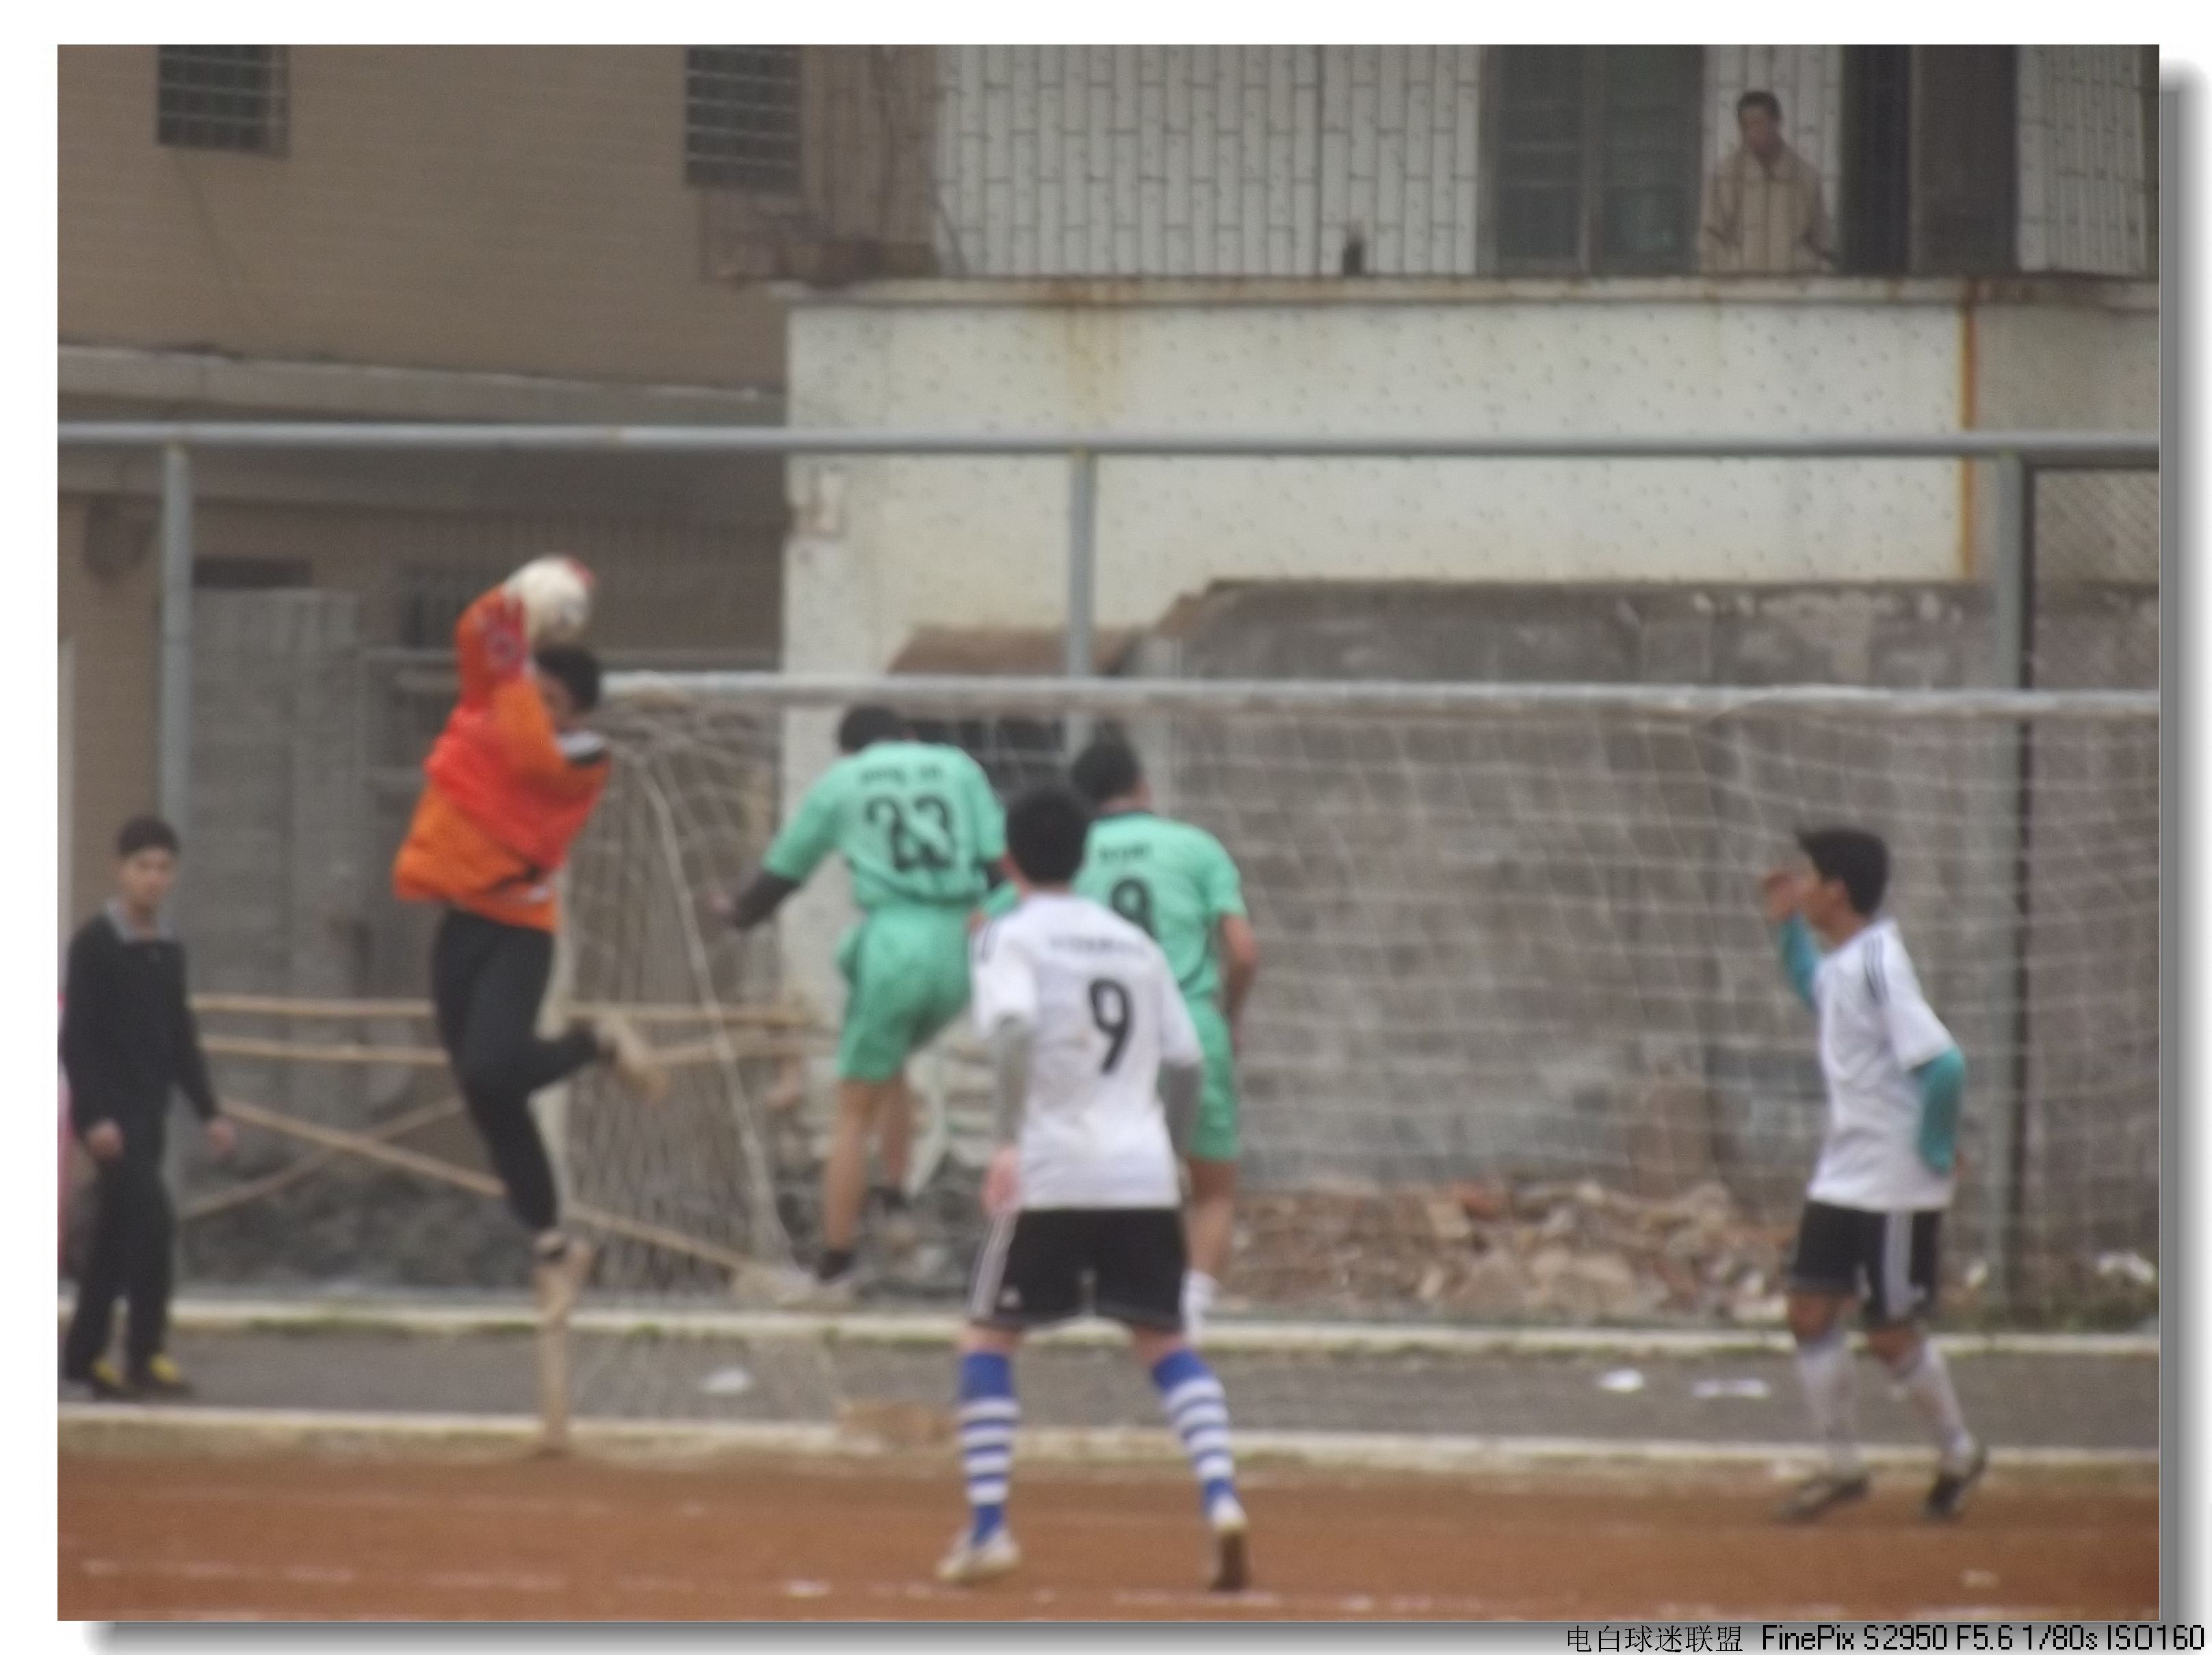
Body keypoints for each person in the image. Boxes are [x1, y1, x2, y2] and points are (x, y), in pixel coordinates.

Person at [941, 784, 1250, 1591]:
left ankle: (987, 1529)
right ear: (1081, 856)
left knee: (987, 1338)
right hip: (1140, 1169)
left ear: (1009, 860)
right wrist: (1168, 1150)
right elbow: (1186, 1062)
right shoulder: (1133, 943)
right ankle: (1220, 1496)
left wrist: (1006, 1139)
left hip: (1051, 1168)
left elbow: (1013, 1031)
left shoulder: (1009, 935)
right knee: (1166, 1342)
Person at [392, 562, 666, 1319]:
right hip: (461, 922)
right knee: (485, 1093)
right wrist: (516, 599)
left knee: (492, 1062)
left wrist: (515, 674)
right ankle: (552, 1242)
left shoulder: (580, 758)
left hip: (519, 931)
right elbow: (474, 637)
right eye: (533, 691)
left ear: (575, 715)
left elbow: (528, 752)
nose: (535, 706)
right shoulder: (496, 703)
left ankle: (595, 1042)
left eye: (553, 701)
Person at [713, 707, 1007, 1306]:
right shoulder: (957, 766)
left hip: (893, 942)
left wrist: (736, 913)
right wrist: (992, 913)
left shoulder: (843, 781)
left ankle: (834, 1267)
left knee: (851, 1109)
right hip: (959, 947)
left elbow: (784, 872)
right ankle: (896, 1201)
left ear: (849, 752)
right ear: (909, 734)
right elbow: (1003, 866)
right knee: (894, 1062)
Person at [1760, 827, 1985, 1522]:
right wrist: (1785, 931)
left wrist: (1935, 1146)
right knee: (1807, 1311)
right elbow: (1818, 993)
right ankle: (1842, 1467)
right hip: (1842, 1171)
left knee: (1887, 1332)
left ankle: (1957, 1451)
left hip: (1892, 1179)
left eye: (1807, 877)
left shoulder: (1882, 961)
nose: (1798, 885)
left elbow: (1943, 1064)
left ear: (1835, 891)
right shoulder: (1844, 962)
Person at [1064, 736, 1258, 1341]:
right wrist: (1230, 1015)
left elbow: (996, 921)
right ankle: (1191, 1307)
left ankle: (1106, 1294)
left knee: (1103, 1168)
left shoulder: (1068, 852)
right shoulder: (1195, 846)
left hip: (1101, 1031)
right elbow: (1243, 950)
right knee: (1211, 1184)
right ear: (1142, 785)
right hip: (1190, 1025)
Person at [60, 815, 237, 1399]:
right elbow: (78, 1039)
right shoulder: (95, 944)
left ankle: (87, 1358)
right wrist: (93, 1117)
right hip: (113, 1121)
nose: (154, 878)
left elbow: (179, 1036)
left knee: (114, 1239)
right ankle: (144, 1349)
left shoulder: (168, 948)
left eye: (163, 867)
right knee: (154, 1225)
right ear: (121, 870)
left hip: (150, 1111)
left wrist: (209, 1110)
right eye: (143, 867)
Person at [1700, 90, 1836, 275]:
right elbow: (1711, 236)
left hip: (1796, 284)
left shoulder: (1805, 177)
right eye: (1746, 125)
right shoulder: (1725, 176)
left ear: (1777, 122)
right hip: (1740, 284)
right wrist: (1721, 274)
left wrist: (1820, 274)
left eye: (1759, 123)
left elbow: (1823, 239)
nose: (1752, 132)